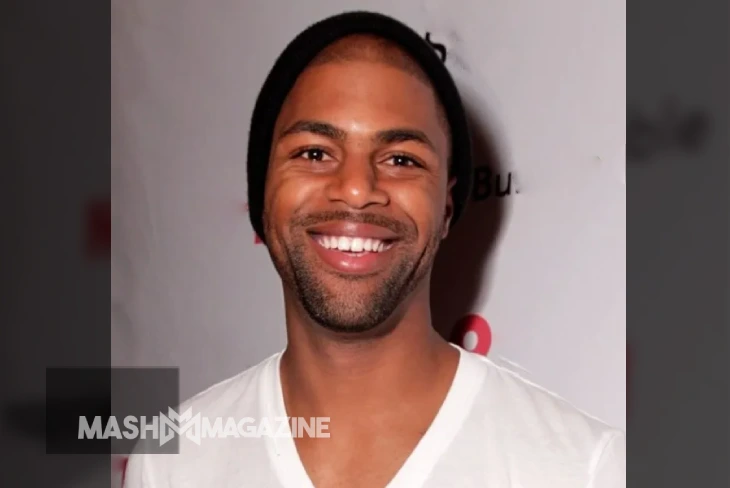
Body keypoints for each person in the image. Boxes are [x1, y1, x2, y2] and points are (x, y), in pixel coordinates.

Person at [125, 11, 625, 488]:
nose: (358, 188)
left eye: (402, 159)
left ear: (447, 205)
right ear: (261, 195)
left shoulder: (584, 469)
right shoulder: (176, 460)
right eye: (315, 153)